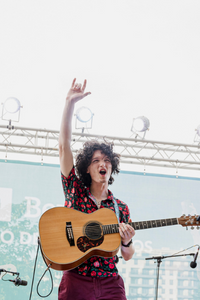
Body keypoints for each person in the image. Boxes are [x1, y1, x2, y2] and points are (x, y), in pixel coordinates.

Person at [58, 78, 135, 300]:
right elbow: (64, 148)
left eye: (107, 160)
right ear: (87, 168)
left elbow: (127, 255)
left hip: (110, 282)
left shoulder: (120, 208)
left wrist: (127, 241)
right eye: (96, 161)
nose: (103, 164)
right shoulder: (75, 191)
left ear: (112, 167)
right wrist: (69, 103)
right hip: (76, 280)